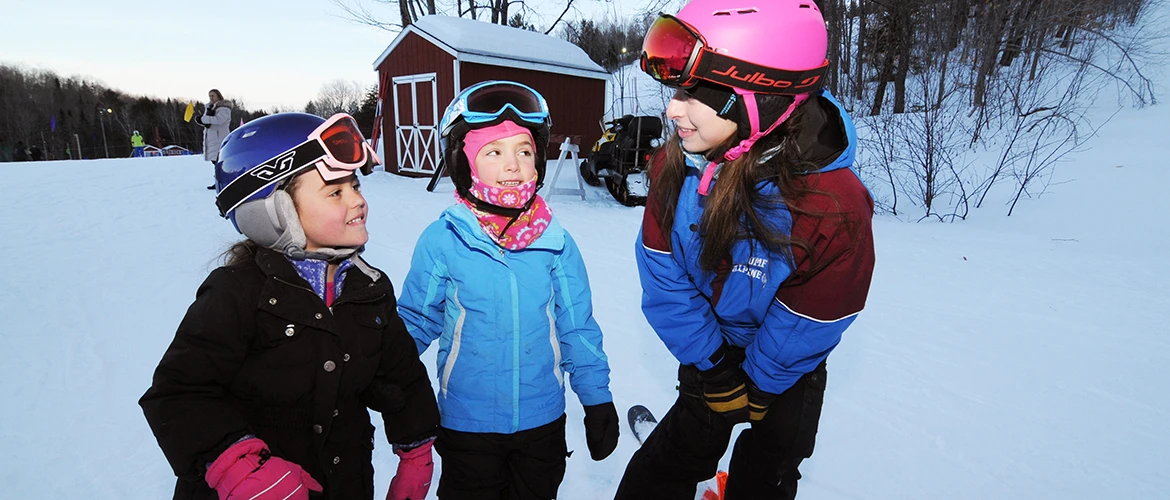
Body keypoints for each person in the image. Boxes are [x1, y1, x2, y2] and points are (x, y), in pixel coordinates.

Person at [613, 1, 876, 499]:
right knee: (671, 459)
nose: (672, 109)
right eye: (675, 91)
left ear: (761, 97)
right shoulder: (675, 166)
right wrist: (712, 365)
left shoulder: (832, 205)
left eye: (695, 94)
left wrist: (758, 383)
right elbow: (663, 276)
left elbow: (814, 315)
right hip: (708, 341)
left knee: (771, 461)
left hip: (786, 360)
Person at [139, 112, 441, 500]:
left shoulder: (370, 288)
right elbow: (179, 393)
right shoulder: (238, 293)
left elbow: (402, 379)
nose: (358, 201)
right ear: (274, 211)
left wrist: (416, 451)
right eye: (335, 192)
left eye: (355, 185)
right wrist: (237, 466)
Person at [397, 80, 619, 500]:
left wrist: (597, 398)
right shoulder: (444, 239)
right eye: (494, 152)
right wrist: (384, 378)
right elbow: (415, 320)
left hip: (542, 423)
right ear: (464, 163)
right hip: (468, 426)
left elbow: (577, 328)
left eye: (524, 151)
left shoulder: (555, 241)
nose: (513, 165)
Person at [196, 89, 232, 189]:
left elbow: (219, 120)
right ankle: (219, 181)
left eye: (213, 96)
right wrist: (201, 120)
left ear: (218, 96)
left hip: (219, 137)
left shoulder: (224, 109)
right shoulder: (210, 108)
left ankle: (225, 181)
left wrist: (203, 119)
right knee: (215, 162)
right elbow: (208, 123)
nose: (211, 98)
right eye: (209, 96)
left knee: (220, 161)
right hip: (211, 138)